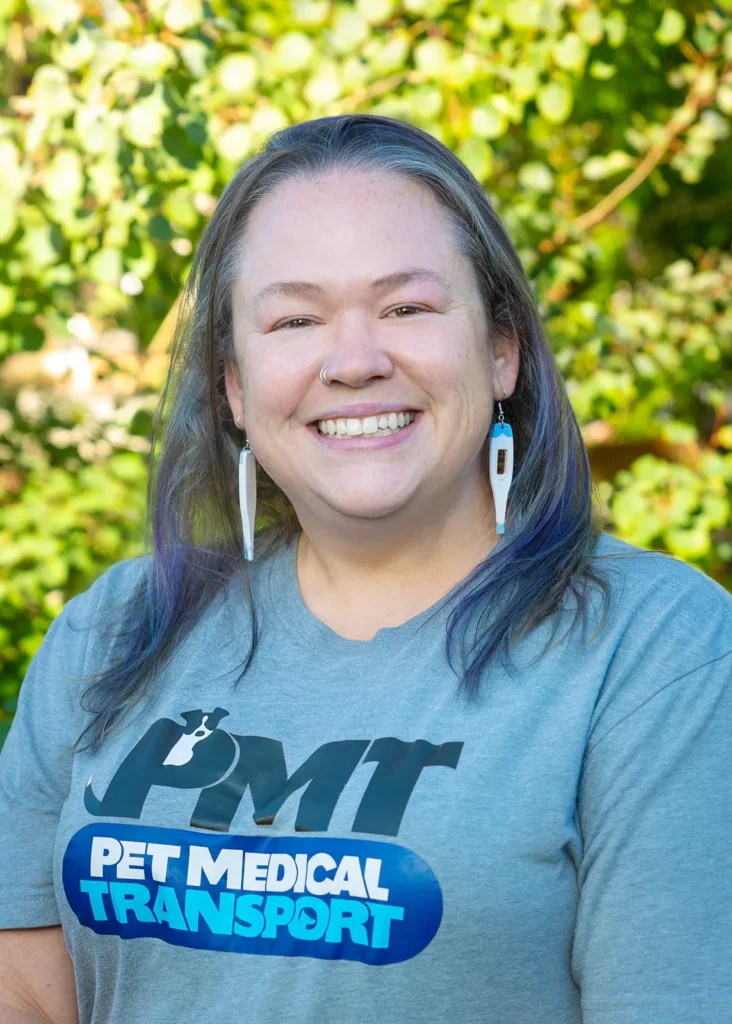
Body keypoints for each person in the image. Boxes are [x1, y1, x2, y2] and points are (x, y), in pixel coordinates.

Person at [0, 113, 731, 1024]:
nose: (354, 361)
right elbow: (25, 993)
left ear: (502, 348)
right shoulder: (115, 633)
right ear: (232, 384)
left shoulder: (654, 650)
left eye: (408, 308)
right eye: (296, 319)